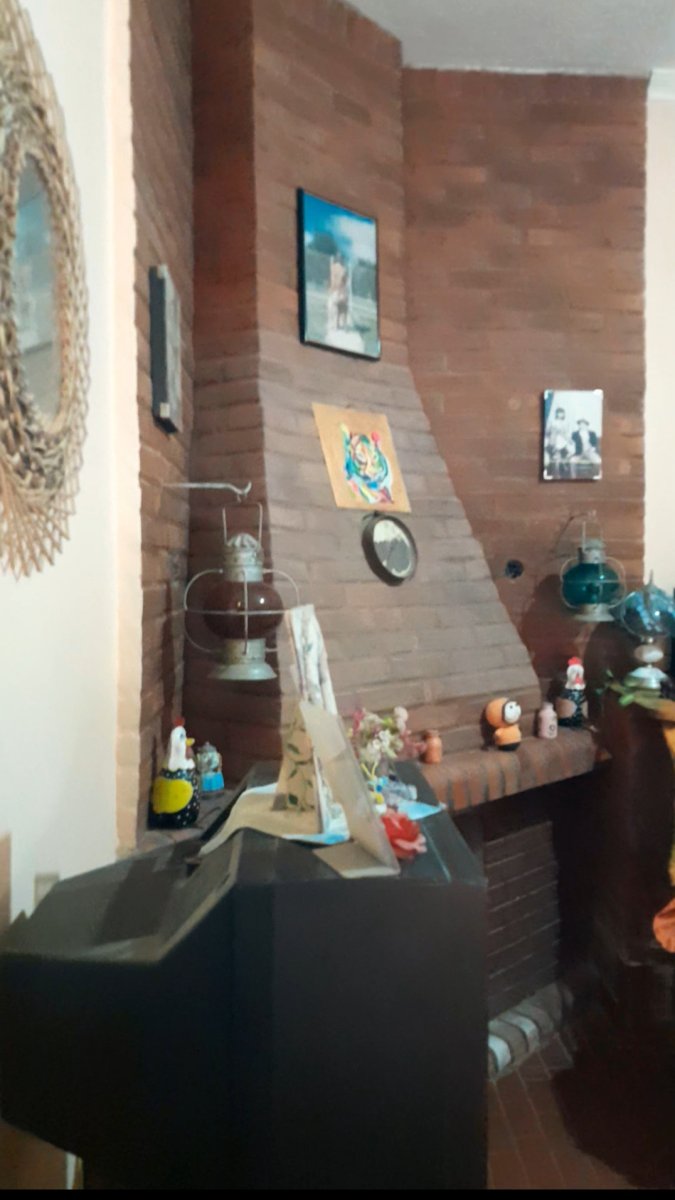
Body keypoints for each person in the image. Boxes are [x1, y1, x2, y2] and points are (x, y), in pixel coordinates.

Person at [544, 405, 572, 479]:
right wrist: (553, 430)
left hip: (563, 441)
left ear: (564, 414)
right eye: (558, 413)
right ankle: (557, 473)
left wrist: (563, 433)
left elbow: (567, 433)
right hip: (553, 441)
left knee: (568, 452)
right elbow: (547, 432)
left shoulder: (566, 422)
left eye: (561, 413)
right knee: (556, 457)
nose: (560, 415)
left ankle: (562, 467)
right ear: (556, 414)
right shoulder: (552, 422)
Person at [328, 252, 349, 333]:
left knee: (335, 308)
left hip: (336, 291)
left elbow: (341, 281)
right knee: (340, 308)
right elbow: (344, 282)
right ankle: (339, 325)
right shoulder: (342, 269)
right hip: (338, 290)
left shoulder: (334, 267)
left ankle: (336, 325)